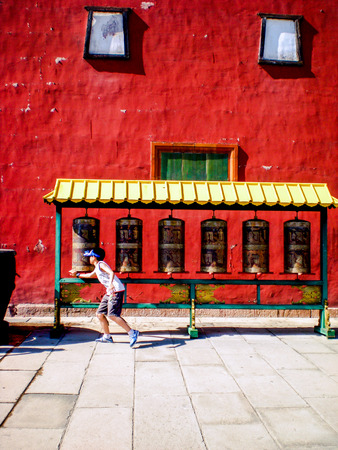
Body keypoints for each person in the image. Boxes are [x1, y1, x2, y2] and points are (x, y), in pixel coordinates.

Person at [71, 248, 139, 347]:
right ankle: (107, 336)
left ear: (94, 257)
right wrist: (77, 274)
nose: (89, 258)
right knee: (99, 314)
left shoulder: (101, 264)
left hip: (115, 290)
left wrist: (111, 284)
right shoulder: (97, 267)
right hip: (109, 292)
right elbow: (90, 275)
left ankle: (132, 333)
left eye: (90, 256)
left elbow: (111, 272)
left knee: (112, 315)